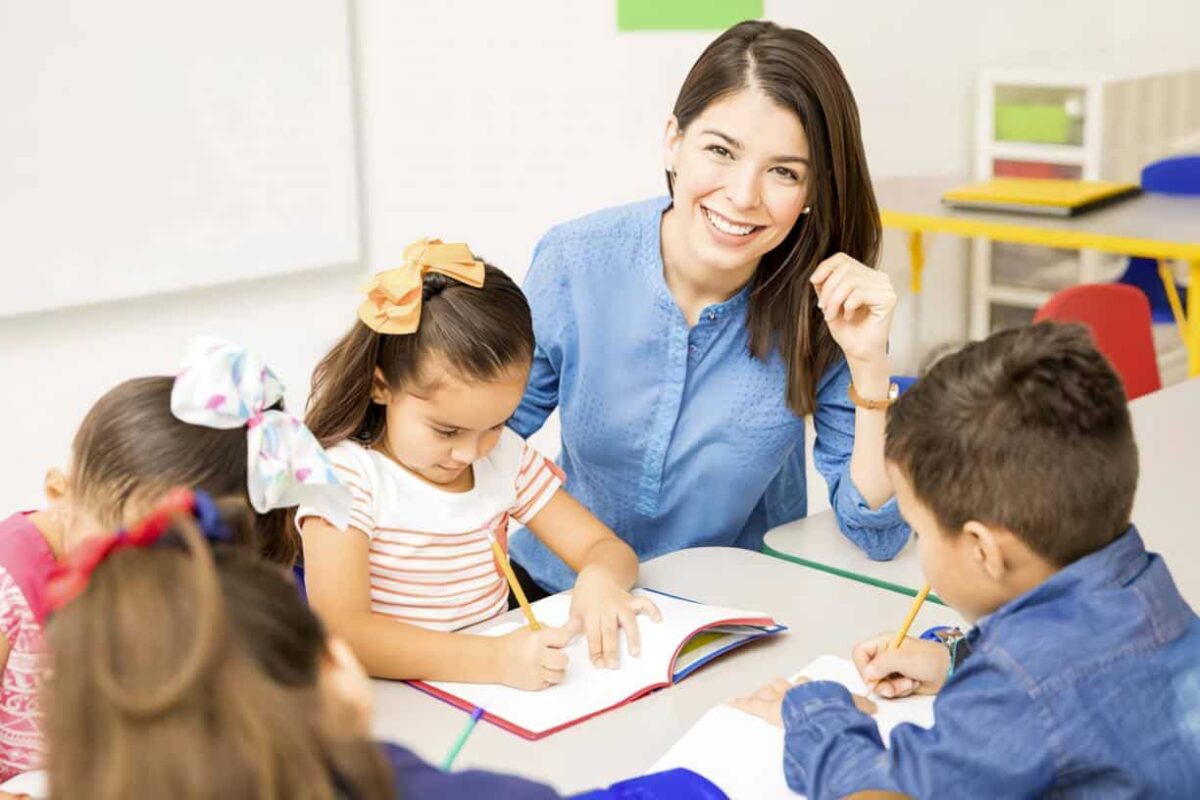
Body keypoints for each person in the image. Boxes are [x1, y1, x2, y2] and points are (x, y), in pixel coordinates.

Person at [508, 20, 908, 597]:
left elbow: (876, 534)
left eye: (783, 172)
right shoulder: (576, 261)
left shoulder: (821, 307)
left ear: (813, 190)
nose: (743, 196)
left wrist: (870, 365)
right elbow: (479, 441)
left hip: (726, 614)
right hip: (557, 596)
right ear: (674, 141)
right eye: (720, 150)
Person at [734, 323, 1200, 798]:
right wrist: (955, 661)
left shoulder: (1014, 691)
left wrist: (818, 713)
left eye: (920, 531)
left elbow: (882, 793)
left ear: (983, 550)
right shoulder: (1150, 593)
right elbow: (1086, 689)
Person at [299, 240, 659, 688]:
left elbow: (606, 549)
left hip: (492, 694)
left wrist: (601, 579)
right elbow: (345, 635)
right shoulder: (345, 480)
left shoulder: (503, 457)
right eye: (447, 431)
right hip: (397, 705)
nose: (471, 453)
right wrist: (492, 660)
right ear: (381, 387)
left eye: (497, 424)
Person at [0, 336, 342, 780]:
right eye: (120, 554)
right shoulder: (9, 587)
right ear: (60, 495)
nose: (143, 580)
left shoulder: (204, 588)